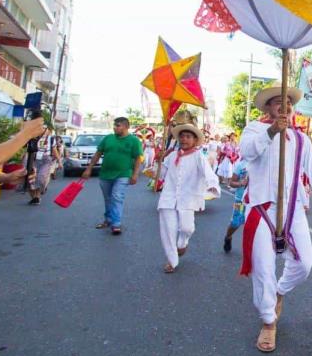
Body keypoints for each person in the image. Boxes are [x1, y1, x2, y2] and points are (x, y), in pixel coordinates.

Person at [239, 83, 312, 353]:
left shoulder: (302, 140)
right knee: (263, 268)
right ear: (269, 108)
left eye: (289, 103)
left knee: (304, 264)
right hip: (262, 209)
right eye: (278, 102)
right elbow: (247, 152)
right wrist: (272, 131)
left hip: (293, 209)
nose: (285, 106)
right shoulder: (255, 130)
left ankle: (280, 291)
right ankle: (268, 321)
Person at [158, 123, 220, 273]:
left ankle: (183, 242)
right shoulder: (172, 155)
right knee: (168, 229)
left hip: (188, 197)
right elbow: (160, 175)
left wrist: (212, 185)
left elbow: (208, 173)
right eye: (182, 136)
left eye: (188, 137)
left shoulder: (198, 156)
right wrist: (159, 161)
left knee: (187, 228)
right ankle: (172, 261)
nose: (184, 139)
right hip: (168, 197)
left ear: (194, 140)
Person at [82, 117, 143, 235]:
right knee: (108, 198)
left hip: (123, 174)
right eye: (114, 125)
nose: (115, 127)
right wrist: (89, 169)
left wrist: (135, 174)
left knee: (117, 196)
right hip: (105, 174)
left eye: (118, 125)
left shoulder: (134, 141)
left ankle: (116, 224)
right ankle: (108, 220)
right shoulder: (108, 139)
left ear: (126, 127)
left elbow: (137, 159)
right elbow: (98, 154)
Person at [27, 129, 59, 205]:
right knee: (30, 178)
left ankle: (37, 196)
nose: (45, 131)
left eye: (46, 129)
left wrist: (59, 161)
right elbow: (27, 149)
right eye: (43, 129)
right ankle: (34, 197)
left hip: (46, 159)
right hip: (33, 159)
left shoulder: (51, 139)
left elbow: (54, 150)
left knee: (40, 177)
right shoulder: (33, 137)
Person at [223, 157, 249, 253]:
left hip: (255, 202)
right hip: (240, 201)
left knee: (253, 226)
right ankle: (228, 237)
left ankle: (250, 250)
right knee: (235, 222)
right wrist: (240, 183)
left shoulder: (260, 163)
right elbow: (231, 182)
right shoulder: (240, 165)